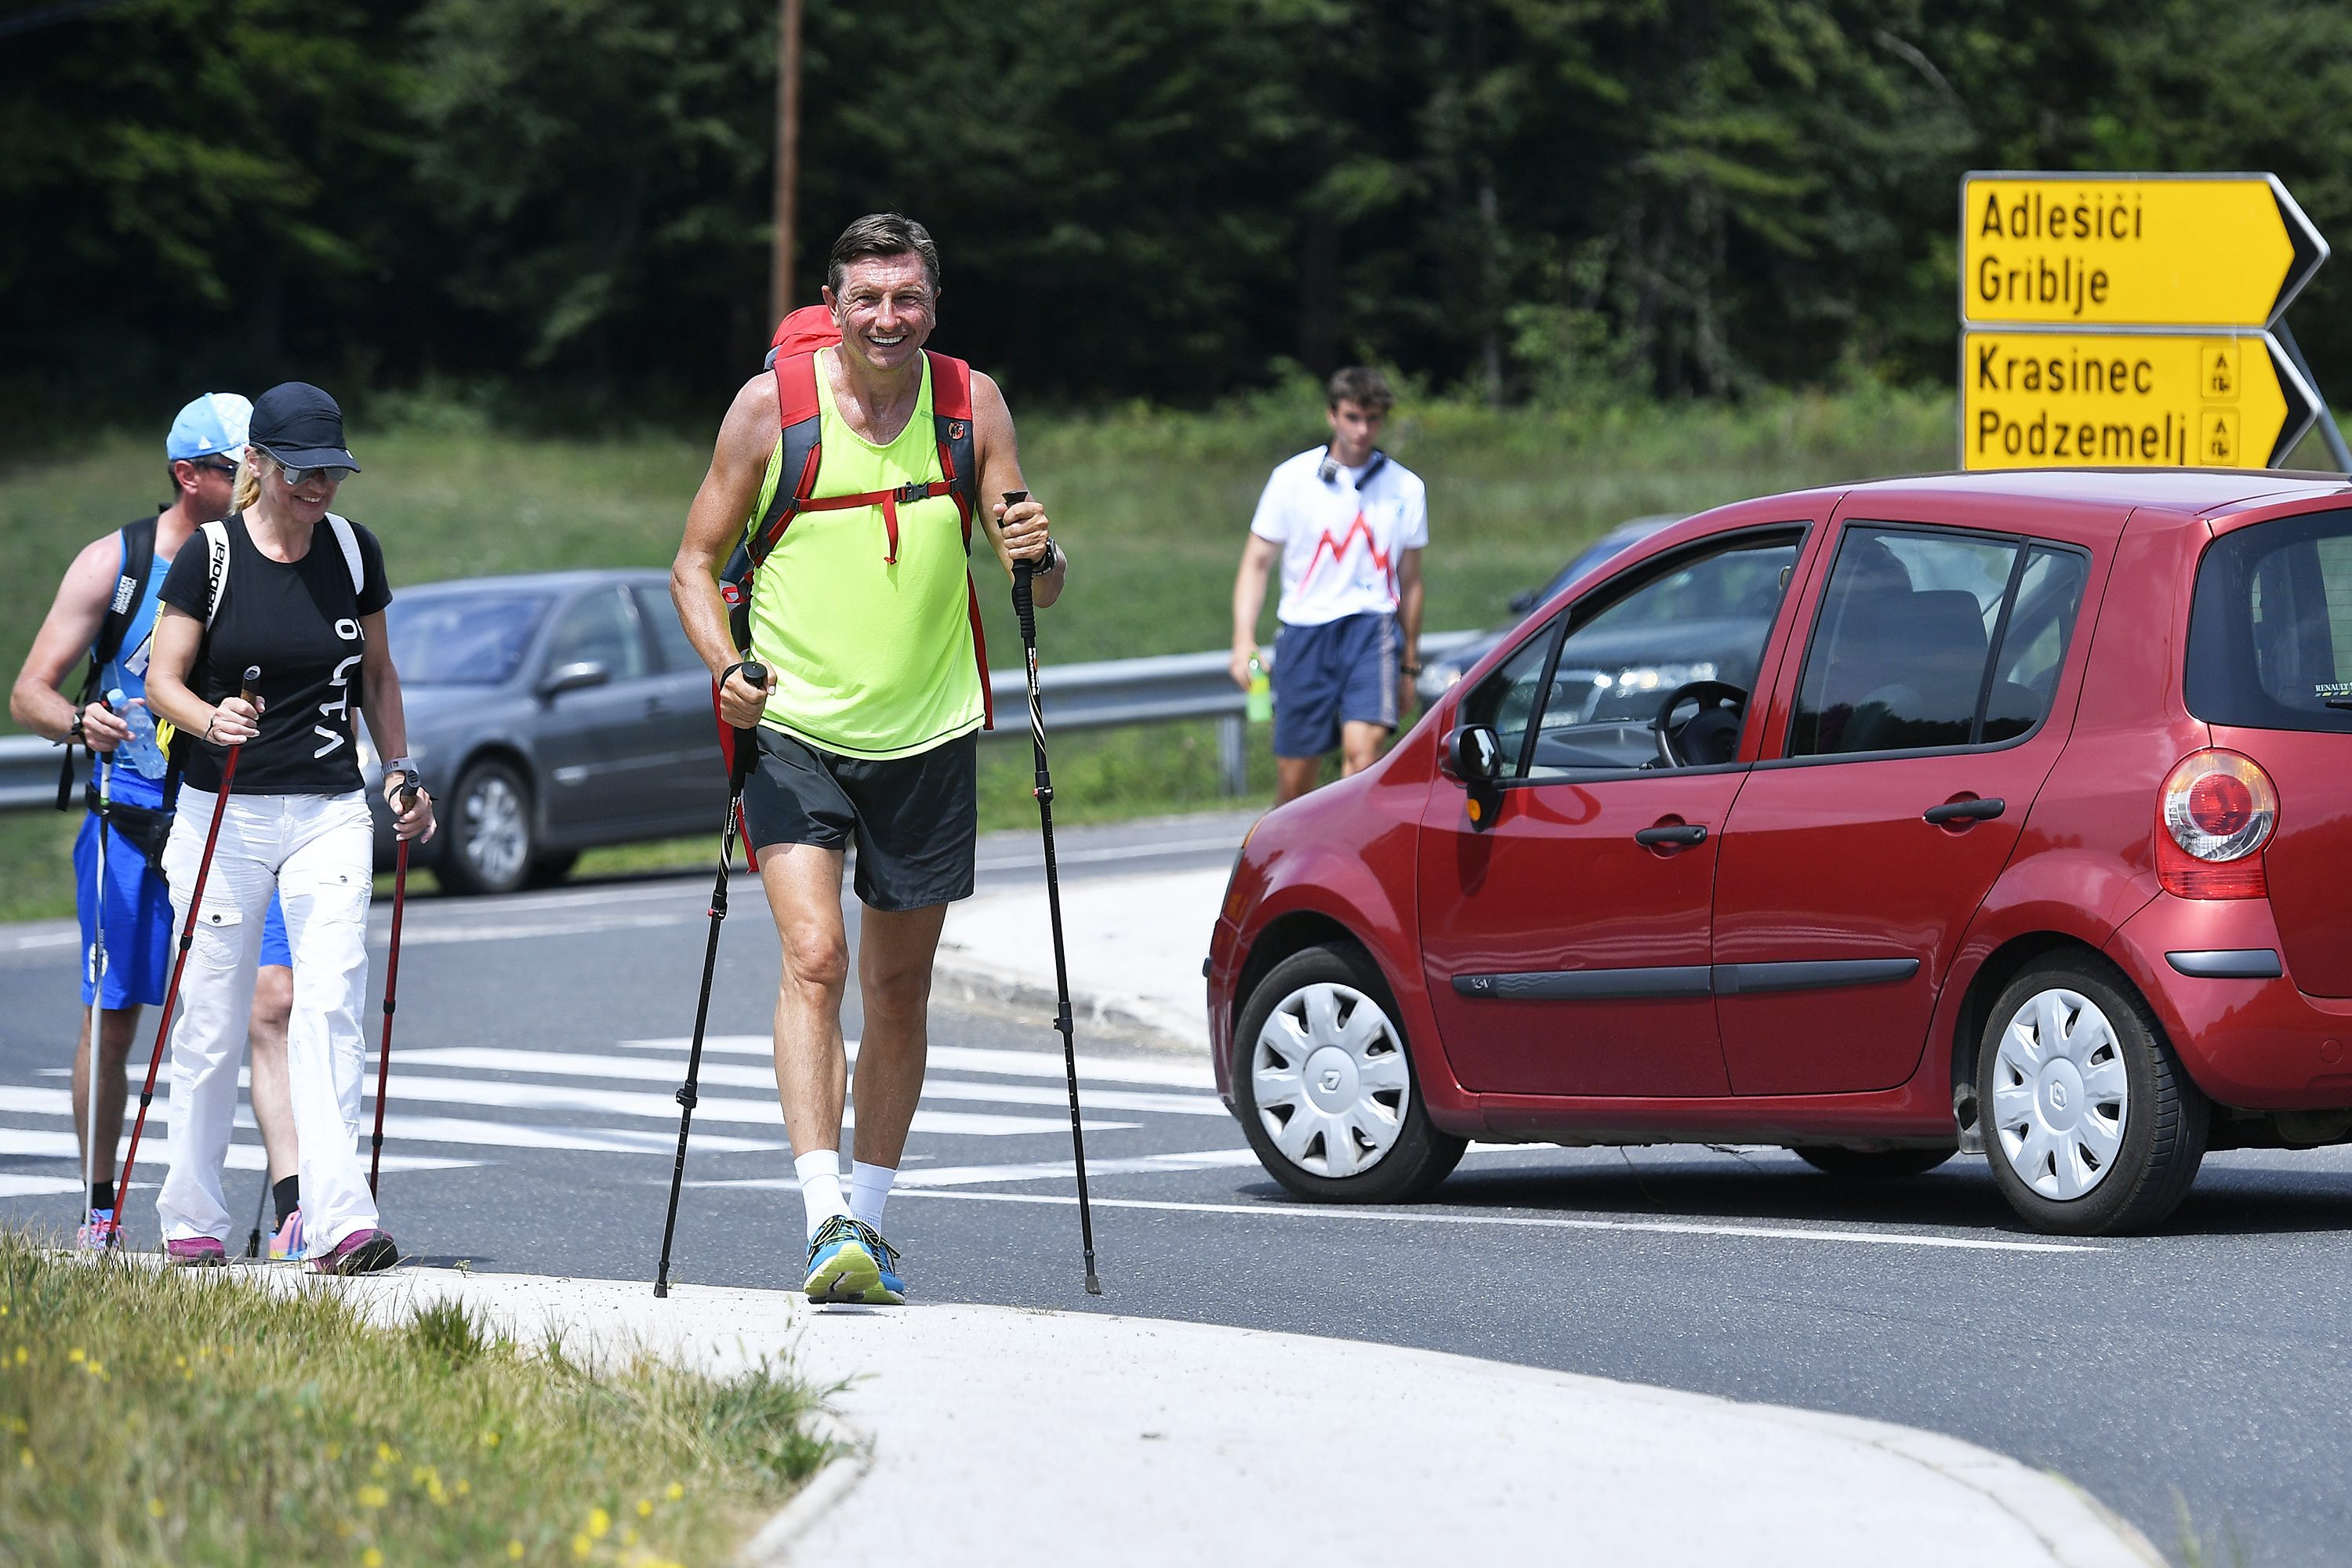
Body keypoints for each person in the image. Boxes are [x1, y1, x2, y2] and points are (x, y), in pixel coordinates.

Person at [673, 212, 1063, 1305]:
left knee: (899, 987)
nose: (887, 319)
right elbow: (694, 565)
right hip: (795, 729)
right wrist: (728, 670)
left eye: (906, 298)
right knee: (816, 958)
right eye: (867, 300)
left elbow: (1033, 572)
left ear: (932, 305)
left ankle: (874, 1221)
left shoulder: (970, 403)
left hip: (930, 734)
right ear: (834, 309)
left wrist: (1044, 554)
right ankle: (823, 1216)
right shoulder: (771, 411)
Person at [142, 381, 435, 1273]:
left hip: (328, 809)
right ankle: (190, 1212)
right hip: (222, 807)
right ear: (259, 466)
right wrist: (207, 718)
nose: (319, 489)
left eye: (333, 472)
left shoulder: (352, 550)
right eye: (302, 471)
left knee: (331, 1000)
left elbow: (378, 676)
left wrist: (398, 768)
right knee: (213, 1018)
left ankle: (338, 1216)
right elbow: (163, 678)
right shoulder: (211, 555)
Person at [7, 394, 304, 1253]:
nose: (262, 476)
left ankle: (293, 1207)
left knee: (271, 999)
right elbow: (29, 687)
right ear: (191, 475)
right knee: (115, 1017)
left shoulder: (270, 556)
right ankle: (101, 1209)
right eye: (245, 463)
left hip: (238, 816)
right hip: (133, 821)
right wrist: (77, 720)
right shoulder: (118, 563)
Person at [1229, 366, 1428, 804]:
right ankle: (1288, 861)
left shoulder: (1407, 487)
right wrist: (1244, 640)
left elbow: (1411, 581)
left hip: (1372, 629)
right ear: (1332, 415)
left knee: (1363, 757)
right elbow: (1256, 564)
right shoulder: (1292, 479)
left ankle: (1350, 861)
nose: (1363, 430)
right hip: (1306, 629)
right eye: (1353, 417)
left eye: (1373, 419)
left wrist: (1410, 665)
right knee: (1295, 782)